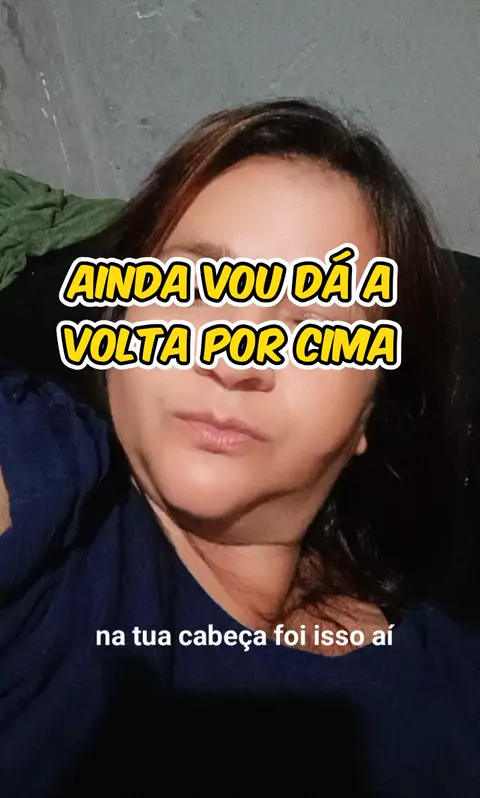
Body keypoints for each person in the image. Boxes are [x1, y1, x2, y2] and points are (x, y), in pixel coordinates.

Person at [0, 99, 478, 798]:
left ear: (369, 412)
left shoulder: (455, 697)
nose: (234, 357)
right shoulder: (40, 463)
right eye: (192, 287)